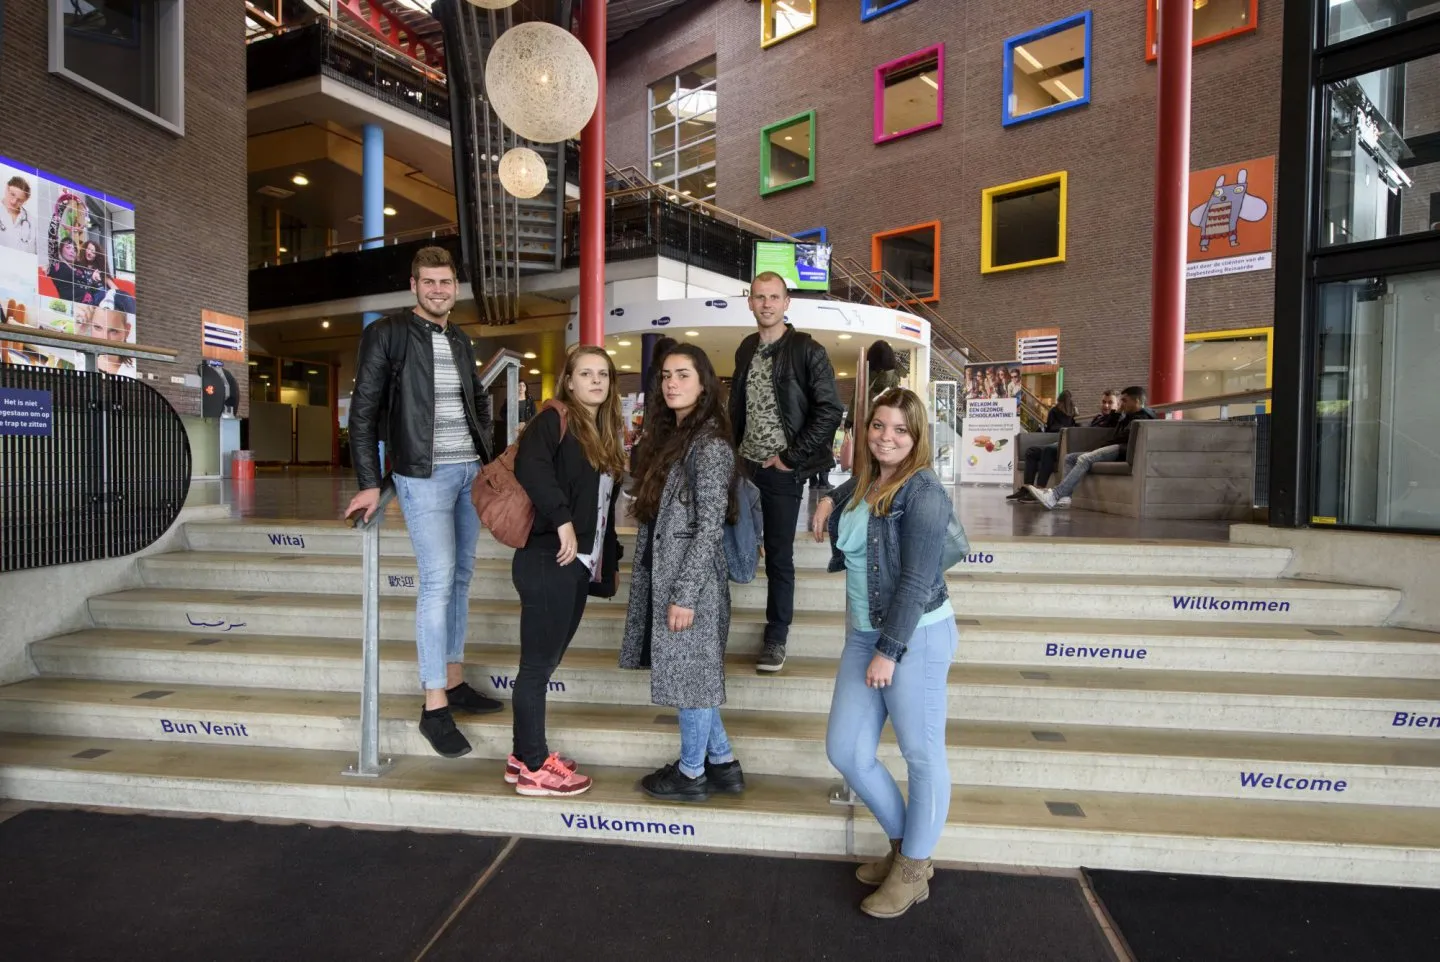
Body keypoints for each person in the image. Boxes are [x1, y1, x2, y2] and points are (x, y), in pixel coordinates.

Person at [344, 246, 500, 757]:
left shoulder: (459, 337)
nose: (438, 290)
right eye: (429, 282)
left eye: (446, 282)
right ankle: (434, 707)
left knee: (460, 576)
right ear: (414, 285)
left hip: (467, 474)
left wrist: (486, 455)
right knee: (437, 580)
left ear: (456, 286)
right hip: (422, 476)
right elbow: (363, 410)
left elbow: (476, 398)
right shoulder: (386, 334)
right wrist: (370, 480)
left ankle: (453, 679)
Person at [811, 387, 958, 919]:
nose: (886, 437)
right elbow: (862, 483)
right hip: (864, 634)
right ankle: (904, 847)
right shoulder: (871, 479)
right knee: (847, 750)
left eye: (899, 430)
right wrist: (830, 495)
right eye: (878, 426)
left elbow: (918, 580)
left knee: (922, 757)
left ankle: (914, 869)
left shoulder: (924, 494)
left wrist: (889, 651)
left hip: (913, 635)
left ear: (917, 437)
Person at [620, 344, 745, 801]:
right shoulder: (678, 437)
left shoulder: (709, 445)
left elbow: (710, 524)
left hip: (693, 581)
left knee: (691, 678)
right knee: (694, 673)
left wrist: (686, 594)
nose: (672, 383)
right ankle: (723, 762)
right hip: (672, 573)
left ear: (703, 383)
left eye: (683, 375)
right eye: (666, 375)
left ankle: (692, 774)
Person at [509, 344, 625, 797]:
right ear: (569, 381)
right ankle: (535, 767)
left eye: (604, 374)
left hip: (576, 565)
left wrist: (604, 559)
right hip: (546, 559)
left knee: (546, 661)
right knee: (537, 667)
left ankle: (523, 753)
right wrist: (561, 520)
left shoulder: (601, 431)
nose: (596, 381)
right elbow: (530, 467)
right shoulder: (552, 419)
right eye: (586, 373)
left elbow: (601, 505)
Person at [730, 271, 844, 672]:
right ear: (750, 301)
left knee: (779, 555)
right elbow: (738, 407)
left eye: (774, 297)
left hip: (781, 471)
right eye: (759, 297)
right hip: (742, 467)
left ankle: (776, 634)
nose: (766, 304)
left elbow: (830, 409)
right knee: (730, 541)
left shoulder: (806, 349)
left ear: (786, 303)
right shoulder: (746, 348)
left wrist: (791, 458)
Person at [1025, 385, 1157, 509]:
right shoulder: (1127, 416)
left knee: (1084, 458)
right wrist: (1118, 413)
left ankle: (1055, 495)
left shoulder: (1143, 418)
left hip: (1121, 449)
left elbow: (1122, 438)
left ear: (1138, 401)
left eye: (1124, 400)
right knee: (1070, 458)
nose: (1122, 404)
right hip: (1114, 446)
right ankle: (1065, 498)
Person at [1007, 390, 1078, 503]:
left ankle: (1040, 489)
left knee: (1047, 450)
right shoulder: (1073, 412)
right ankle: (1027, 488)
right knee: (1031, 451)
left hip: (1061, 442)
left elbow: (1050, 428)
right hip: (1057, 440)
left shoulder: (1056, 411)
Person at [0, 175, 36, 254]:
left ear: (26, 200)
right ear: (7, 188)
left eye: (19, 200)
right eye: (12, 194)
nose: (13, 202)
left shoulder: (32, 222)